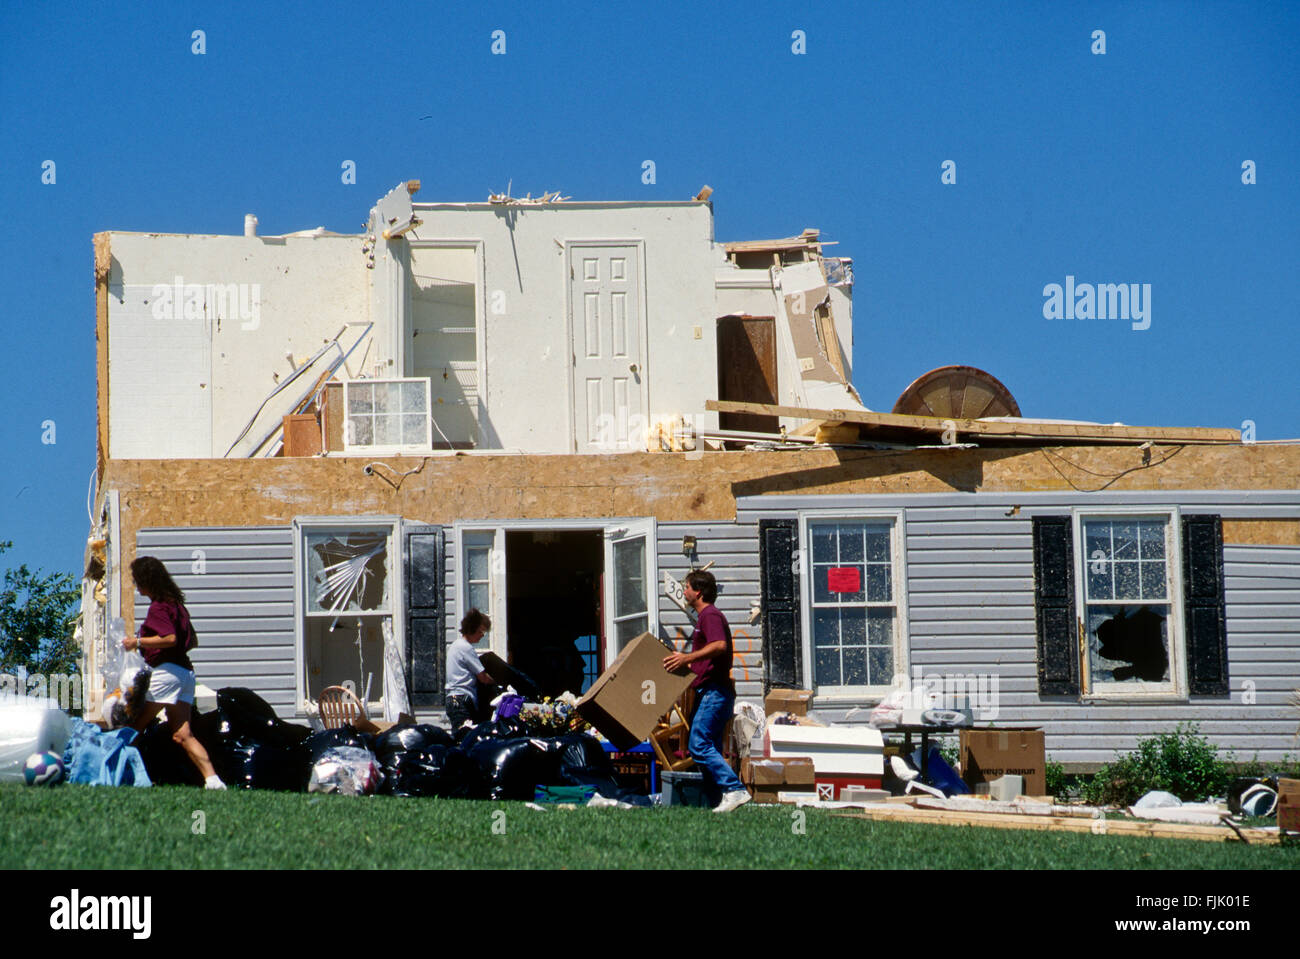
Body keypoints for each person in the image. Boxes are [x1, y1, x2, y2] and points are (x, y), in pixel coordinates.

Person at [123, 556, 225, 790]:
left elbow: (169, 638)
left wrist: (136, 642)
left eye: (137, 581)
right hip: (185, 674)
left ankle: (123, 776)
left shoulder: (158, 606)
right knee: (182, 734)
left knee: (133, 724)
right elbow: (190, 640)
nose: (136, 587)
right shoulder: (177, 605)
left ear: (147, 581)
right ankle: (214, 782)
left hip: (167, 672)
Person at [662, 569, 751, 813]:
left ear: (698, 591)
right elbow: (706, 658)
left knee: (699, 744)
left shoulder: (710, 615)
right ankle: (717, 800)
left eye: (687, 586)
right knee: (706, 746)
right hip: (710, 692)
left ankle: (734, 789)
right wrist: (684, 663)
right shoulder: (704, 617)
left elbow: (719, 646)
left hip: (715, 692)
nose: (684, 591)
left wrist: (686, 658)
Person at [445, 609, 496, 734]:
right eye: (480, 631)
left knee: (461, 736)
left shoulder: (456, 645)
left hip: (454, 699)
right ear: (471, 629)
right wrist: (497, 681)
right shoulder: (465, 647)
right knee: (465, 738)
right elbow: (483, 677)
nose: (482, 635)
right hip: (462, 700)